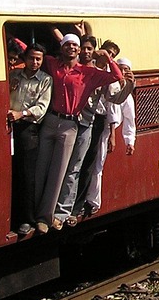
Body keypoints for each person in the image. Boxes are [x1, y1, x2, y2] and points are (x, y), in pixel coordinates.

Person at [34, 34, 124, 233]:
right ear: (62, 47)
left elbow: (117, 77)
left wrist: (109, 59)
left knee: (61, 171)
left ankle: (50, 216)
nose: (72, 48)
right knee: (41, 168)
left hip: (71, 124)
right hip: (50, 120)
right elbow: (32, 53)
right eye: (69, 45)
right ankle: (37, 211)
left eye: (75, 45)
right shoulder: (52, 64)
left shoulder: (88, 73)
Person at [76, 57, 137, 218]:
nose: (123, 72)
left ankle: (93, 201)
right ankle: (80, 201)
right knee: (84, 163)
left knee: (97, 166)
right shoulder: (108, 85)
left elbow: (129, 118)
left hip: (105, 131)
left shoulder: (126, 95)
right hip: (94, 125)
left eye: (126, 69)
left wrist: (128, 140)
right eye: (120, 68)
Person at [7, 43, 52, 236]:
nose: (34, 62)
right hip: (10, 126)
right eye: (32, 58)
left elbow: (41, 108)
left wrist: (21, 113)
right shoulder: (13, 76)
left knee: (27, 175)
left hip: (28, 128)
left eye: (38, 59)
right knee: (12, 172)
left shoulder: (45, 80)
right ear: (24, 58)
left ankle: (27, 219)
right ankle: (13, 216)